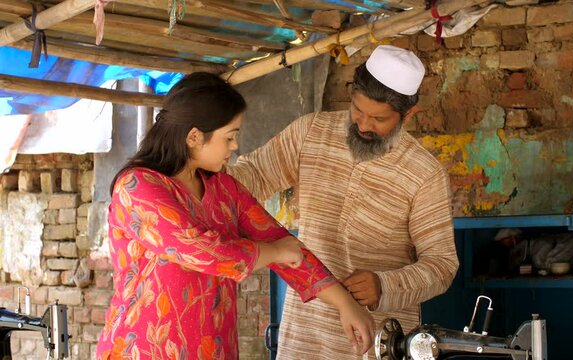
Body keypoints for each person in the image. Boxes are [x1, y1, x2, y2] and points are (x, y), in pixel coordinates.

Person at [95, 73, 375, 360]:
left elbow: (281, 243)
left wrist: (344, 303)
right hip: (143, 350)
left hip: (215, 349)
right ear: (193, 137)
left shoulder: (224, 188)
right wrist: (274, 252)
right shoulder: (138, 187)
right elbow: (202, 251)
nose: (234, 147)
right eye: (229, 137)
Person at [226, 45, 459, 359]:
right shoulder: (311, 132)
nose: (363, 125)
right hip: (307, 330)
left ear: (409, 114)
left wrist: (385, 285)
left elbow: (442, 265)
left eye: (378, 119)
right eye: (357, 110)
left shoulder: (424, 174)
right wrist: (198, 173)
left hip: (379, 340)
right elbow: (253, 174)